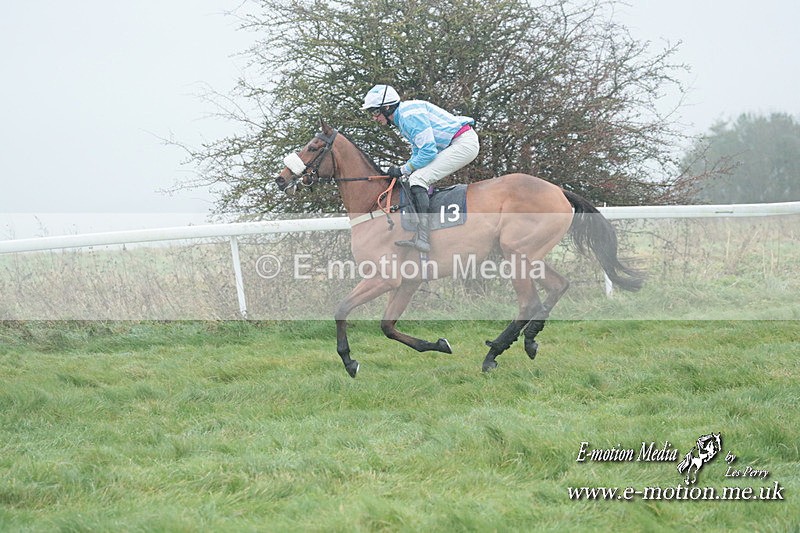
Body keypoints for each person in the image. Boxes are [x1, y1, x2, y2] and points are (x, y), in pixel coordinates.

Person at [361, 84, 479, 253]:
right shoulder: (403, 116)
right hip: (457, 141)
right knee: (414, 177)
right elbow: (419, 151)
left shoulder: (408, 116)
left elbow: (428, 151)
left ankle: (424, 237)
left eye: (375, 112)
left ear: (386, 108)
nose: (374, 117)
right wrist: (406, 168)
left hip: (463, 143)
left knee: (418, 179)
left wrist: (403, 170)